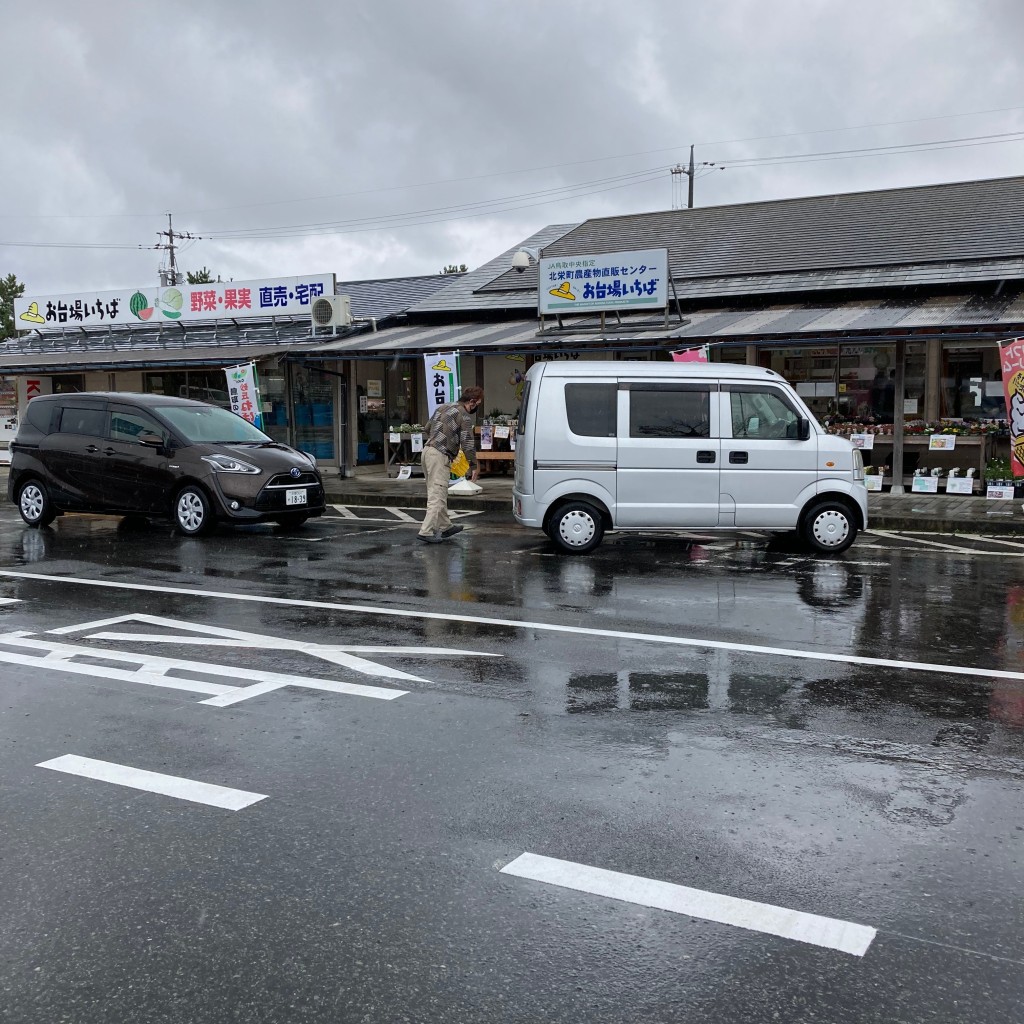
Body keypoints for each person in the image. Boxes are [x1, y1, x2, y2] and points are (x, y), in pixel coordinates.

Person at [417, 385, 484, 544]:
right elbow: (467, 443)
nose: (477, 408)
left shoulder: (442, 407)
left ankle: (446, 526)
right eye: (478, 404)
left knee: (436, 491)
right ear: (472, 402)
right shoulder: (464, 416)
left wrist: (440, 437)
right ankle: (426, 531)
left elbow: (427, 428)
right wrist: (474, 466)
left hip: (427, 452)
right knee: (437, 495)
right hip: (439, 456)